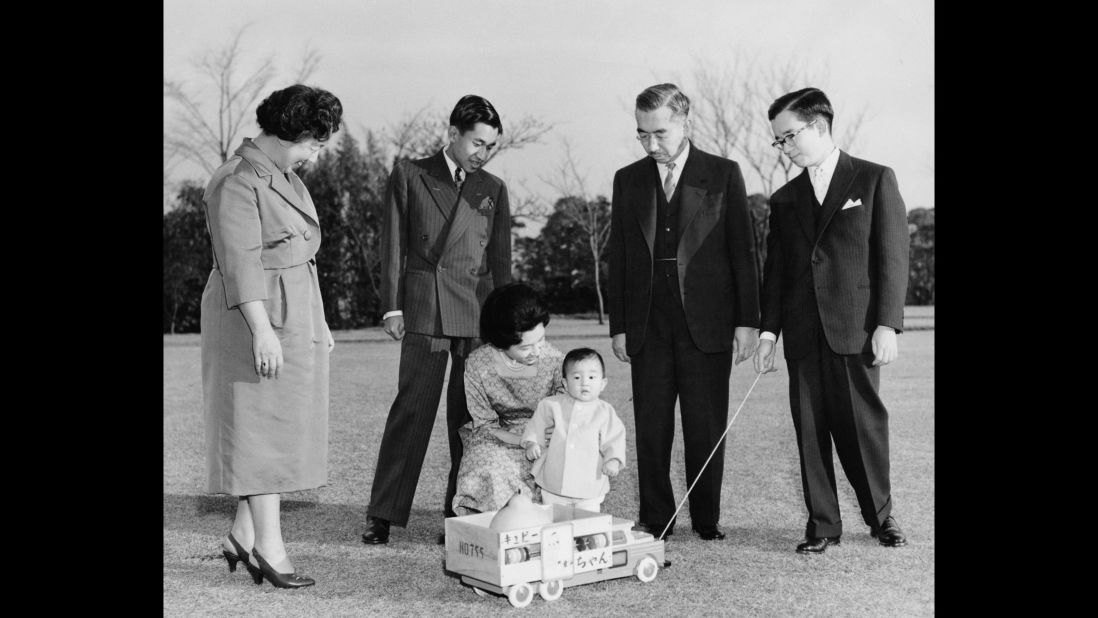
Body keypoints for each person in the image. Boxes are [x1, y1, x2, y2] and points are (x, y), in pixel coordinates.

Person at [754, 87, 910, 554]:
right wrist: (768, 333)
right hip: (802, 333)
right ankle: (823, 525)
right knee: (808, 430)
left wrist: (887, 323)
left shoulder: (874, 178)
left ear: (819, 126)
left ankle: (881, 518)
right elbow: (776, 273)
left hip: (856, 329)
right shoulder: (783, 200)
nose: (783, 147)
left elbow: (892, 256)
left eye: (789, 136)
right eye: (778, 141)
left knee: (863, 427)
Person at [200, 84, 342, 588]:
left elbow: (303, 255)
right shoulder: (237, 181)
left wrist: (319, 319)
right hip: (253, 315)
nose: (314, 155)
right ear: (290, 133)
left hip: (293, 309)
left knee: (279, 427)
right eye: (313, 144)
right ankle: (269, 547)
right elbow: (240, 265)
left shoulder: (281, 175)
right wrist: (262, 331)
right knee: (261, 430)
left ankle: (242, 533)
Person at [606, 83, 760, 541]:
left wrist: (747, 321)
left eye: (660, 133)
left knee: (705, 425)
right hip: (647, 325)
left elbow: (744, 252)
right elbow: (620, 258)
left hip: (708, 324)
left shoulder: (724, 173)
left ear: (685, 122)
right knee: (652, 427)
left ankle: (706, 519)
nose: (651, 145)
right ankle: (658, 517)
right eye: (641, 134)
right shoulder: (627, 179)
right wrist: (619, 325)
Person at [362, 95, 512, 545]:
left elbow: (500, 261)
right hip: (425, 307)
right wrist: (392, 306)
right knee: (412, 411)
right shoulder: (411, 173)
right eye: (477, 142)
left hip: (477, 312)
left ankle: (461, 513)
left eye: (490, 146)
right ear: (452, 134)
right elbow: (393, 242)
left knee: (468, 418)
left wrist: (504, 320)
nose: (482, 153)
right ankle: (383, 514)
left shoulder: (494, 188)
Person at [451, 283, 565, 515]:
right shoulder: (478, 364)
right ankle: (487, 523)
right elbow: (484, 423)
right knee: (489, 463)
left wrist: (541, 437)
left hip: (546, 434)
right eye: (525, 347)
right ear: (501, 343)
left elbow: (567, 412)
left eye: (541, 340)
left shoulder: (555, 361)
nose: (537, 352)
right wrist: (521, 440)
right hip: (499, 435)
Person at [522, 348, 626, 513]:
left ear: (602, 383)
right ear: (565, 383)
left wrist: (613, 459)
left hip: (589, 479)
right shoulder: (551, 405)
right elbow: (537, 424)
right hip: (555, 478)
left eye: (592, 377)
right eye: (577, 377)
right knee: (553, 517)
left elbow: (614, 437)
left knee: (588, 519)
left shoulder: (604, 411)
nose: (585, 383)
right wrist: (532, 442)